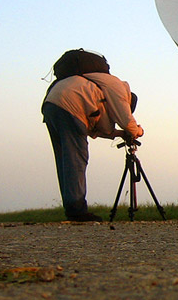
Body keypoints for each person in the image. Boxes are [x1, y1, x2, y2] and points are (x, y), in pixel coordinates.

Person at [42, 62, 144, 222]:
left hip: (52, 104)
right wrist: (137, 131)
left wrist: (120, 134)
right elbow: (127, 121)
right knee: (76, 159)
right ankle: (77, 210)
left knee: (64, 159)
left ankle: (72, 208)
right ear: (129, 100)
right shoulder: (118, 88)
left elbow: (100, 129)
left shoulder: (99, 89)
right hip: (70, 105)